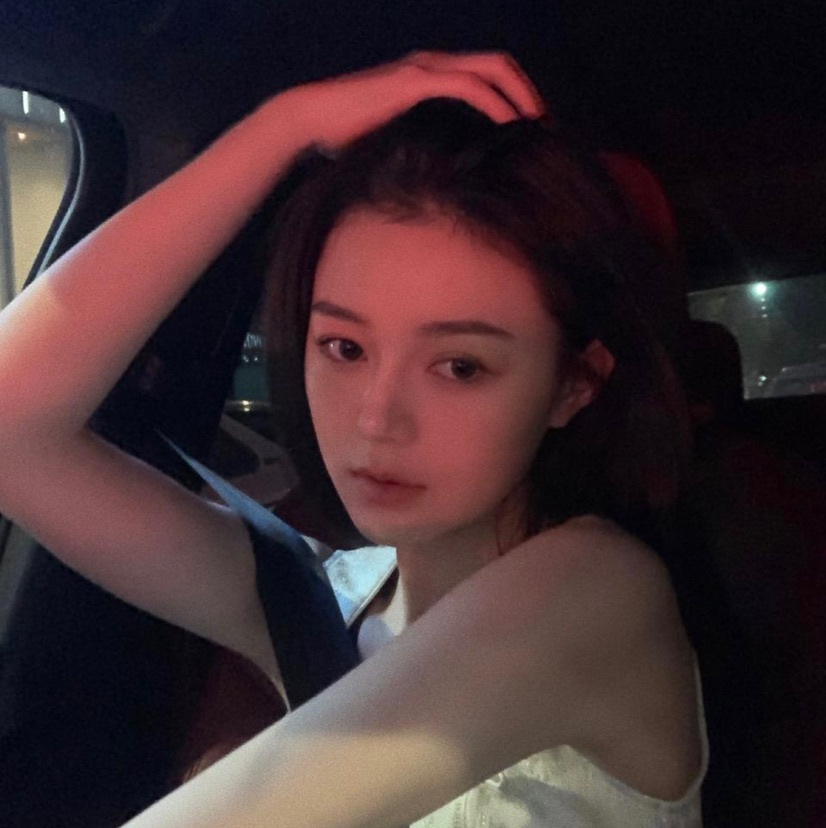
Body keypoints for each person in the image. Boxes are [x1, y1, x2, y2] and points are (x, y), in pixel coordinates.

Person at [0, 52, 707, 826]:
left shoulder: (598, 593)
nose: (376, 418)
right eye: (344, 347)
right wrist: (281, 127)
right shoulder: (314, 599)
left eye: (460, 366)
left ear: (573, 385)